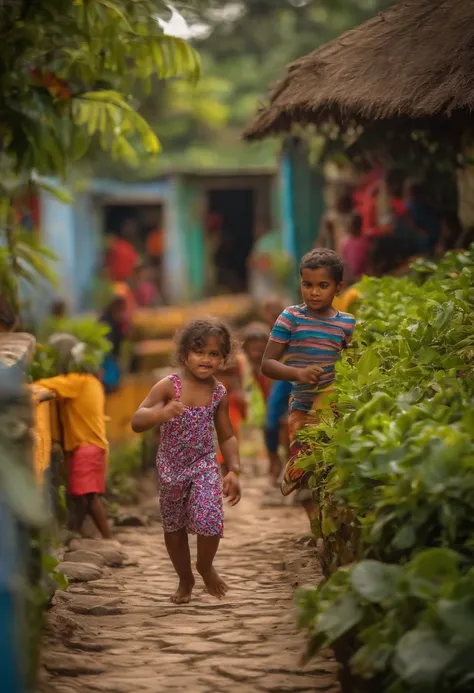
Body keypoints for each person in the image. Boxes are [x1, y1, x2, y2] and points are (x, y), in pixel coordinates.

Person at [131, 318, 242, 604]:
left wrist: (234, 470)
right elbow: (137, 420)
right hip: (171, 468)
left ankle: (204, 565)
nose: (206, 359)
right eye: (199, 351)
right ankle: (184, 578)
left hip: (204, 464)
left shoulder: (218, 392)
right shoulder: (169, 386)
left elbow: (227, 435)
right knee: (174, 527)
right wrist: (161, 414)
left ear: (223, 358)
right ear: (184, 355)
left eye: (214, 354)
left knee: (210, 518)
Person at [261, 249, 356, 526]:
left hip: (334, 407)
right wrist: (298, 373)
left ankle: (330, 523)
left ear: (339, 287)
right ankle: (317, 528)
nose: (314, 292)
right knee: (305, 474)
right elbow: (267, 364)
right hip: (301, 406)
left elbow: (352, 363)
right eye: (308, 285)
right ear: (300, 283)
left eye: (323, 286)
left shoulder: (347, 323)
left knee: (330, 468)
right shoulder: (290, 318)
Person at [35, 333, 113, 539]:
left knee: (86, 496)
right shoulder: (91, 382)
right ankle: (78, 533)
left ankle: (105, 537)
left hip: (86, 447)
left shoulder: (75, 383)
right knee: (83, 496)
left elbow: (43, 384)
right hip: (93, 446)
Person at [100, 295, 128, 393]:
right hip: (107, 359)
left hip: (113, 358)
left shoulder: (116, 321)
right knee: (109, 387)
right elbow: (107, 345)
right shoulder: (106, 322)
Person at [340, 214, 371, 283]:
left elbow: (369, 262)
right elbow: (344, 262)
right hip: (349, 279)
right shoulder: (346, 243)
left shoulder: (365, 242)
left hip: (363, 278)